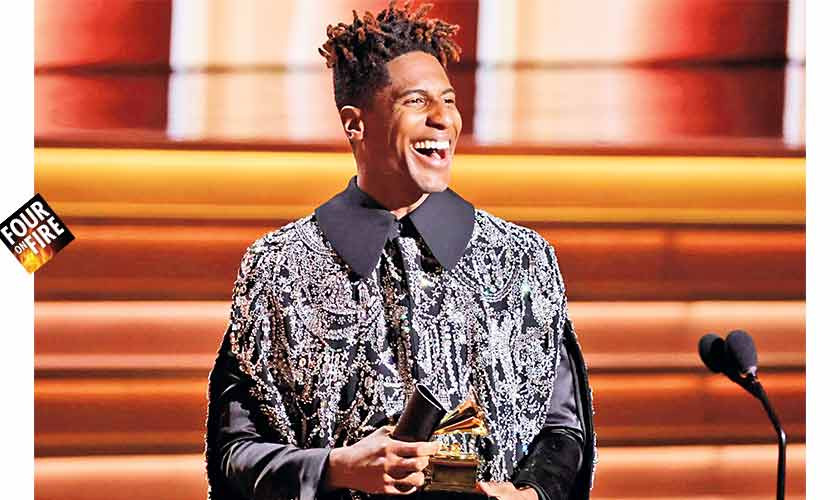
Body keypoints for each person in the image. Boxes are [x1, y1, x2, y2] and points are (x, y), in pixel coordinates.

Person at [204, 2, 596, 500]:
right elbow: (236, 453)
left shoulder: (521, 259)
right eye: (416, 101)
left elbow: (562, 429)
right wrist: (337, 468)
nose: (443, 119)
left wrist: (529, 494)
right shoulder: (279, 267)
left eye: (449, 100)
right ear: (355, 124)